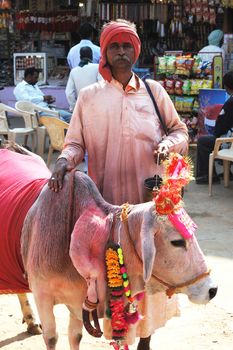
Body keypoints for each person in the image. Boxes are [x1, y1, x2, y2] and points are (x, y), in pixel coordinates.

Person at [49, 19, 188, 350]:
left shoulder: (154, 92)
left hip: (149, 204)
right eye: (115, 46)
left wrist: (170, 143)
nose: (122, 51)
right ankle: (119, 337)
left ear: (135, 50)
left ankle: (145, 340)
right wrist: (63, 161)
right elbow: (75, 144)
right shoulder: (89, 97)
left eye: (127, 45)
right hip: (107, 207)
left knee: (150, 274)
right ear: (105, 53)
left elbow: (179, 129)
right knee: (114, 275)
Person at [196, 70, 233, 184]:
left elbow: (221, 127)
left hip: (229, 142)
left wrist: (216, 133)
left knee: (203, 141)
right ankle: (227, 173)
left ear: (227, 87)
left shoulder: (230, 103)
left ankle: (206, 175)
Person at [65, 46, 102, 112]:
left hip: (81, 108)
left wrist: (74, 108)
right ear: (91, 56)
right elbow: (102, 88)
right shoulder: (97, 68)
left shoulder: (73, 71)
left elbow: (69, 93)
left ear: (80, 57)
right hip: (96, 107)